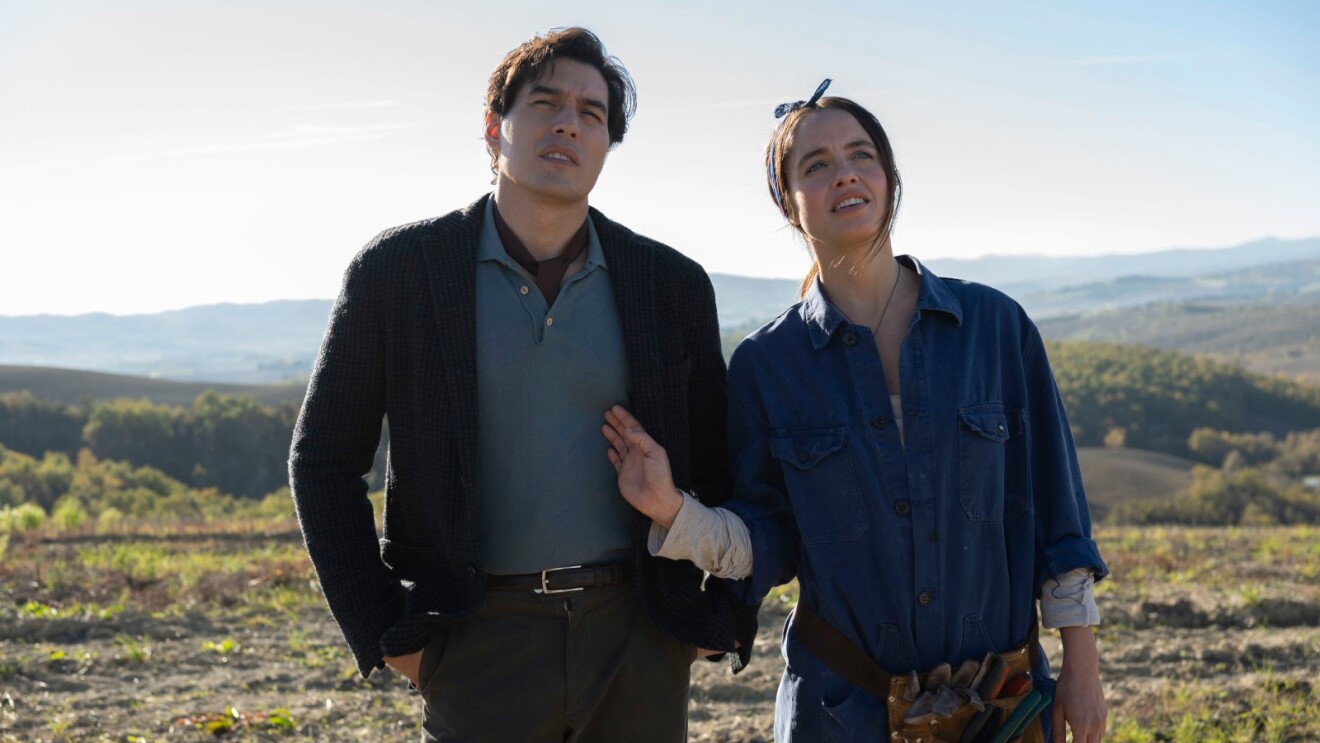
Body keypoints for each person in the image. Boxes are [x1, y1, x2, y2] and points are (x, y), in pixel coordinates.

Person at [603, 81, 1109, 743]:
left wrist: (1082, 663)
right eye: (815, 165)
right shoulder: (767, 364)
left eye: (861, 154)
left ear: (889, 178)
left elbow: (1057, 511)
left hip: (1002, 710)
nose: (844, 172)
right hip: (841, 714)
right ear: (789, 202)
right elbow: (772, 537)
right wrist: (676, 514)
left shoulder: (995, 328)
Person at [289, 27, 755, 742]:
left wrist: (716, 619)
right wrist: (390, 631)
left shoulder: (671, 286)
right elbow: (323, 461)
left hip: (639, 640)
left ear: (605, 146)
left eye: (591, 114)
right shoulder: (399, 273)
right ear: (492, 129)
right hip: (475, 640)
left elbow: (725, 468)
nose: (569, 121)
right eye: (546, 103)